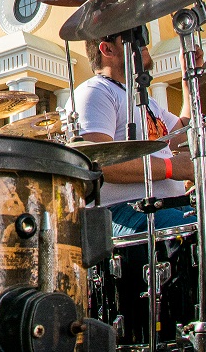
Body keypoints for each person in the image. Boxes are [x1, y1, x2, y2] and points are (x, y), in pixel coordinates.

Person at [76, 30, 197, 236]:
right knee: (198, 234)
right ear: (107, 48)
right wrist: (171, 168)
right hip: (123, 211)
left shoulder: (147, 101)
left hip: (165, 208)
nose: (144, 42)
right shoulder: (96, 91)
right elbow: (100, 162)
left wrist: (188, 79)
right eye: (134, 36)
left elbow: (184, 136)